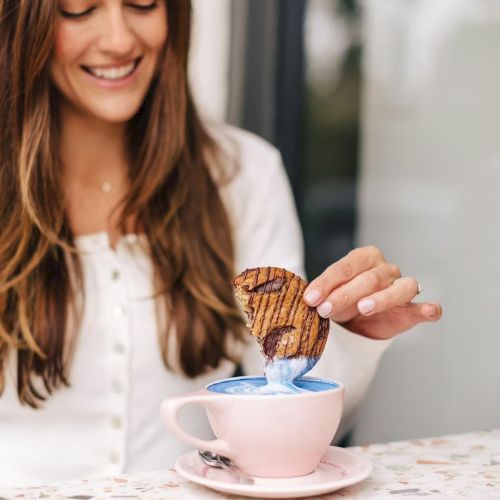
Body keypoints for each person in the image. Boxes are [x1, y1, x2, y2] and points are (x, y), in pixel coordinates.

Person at [0, 0, 442, 489]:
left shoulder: (244, 174)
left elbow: (283, 405)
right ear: (24, 23)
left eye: (143, 3)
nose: (120, 39)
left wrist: (355, 338)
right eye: (79, 9)